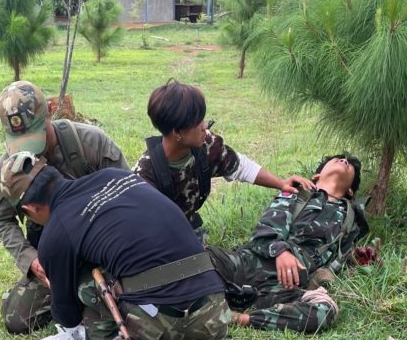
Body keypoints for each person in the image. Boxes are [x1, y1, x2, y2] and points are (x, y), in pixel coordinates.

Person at [0, 153, 259, 340]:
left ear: (29, 210)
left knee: (90, 283)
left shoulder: (56, 232)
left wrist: (59, 278)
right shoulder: (116, 176)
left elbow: (67, 316)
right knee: (168, 302)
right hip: (213, 304)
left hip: (159, 320)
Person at [0, 80, 129, 335]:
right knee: (17, 319)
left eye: (32, 135)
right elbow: (2, 220)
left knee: (123, 305)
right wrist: (32, 261)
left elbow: (129, 196)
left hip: (103, 246)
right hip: (53, 253)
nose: (28, 150)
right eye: (18, 140)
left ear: (51, 111)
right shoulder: (10, 167)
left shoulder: (90, 142)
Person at [210, 154, 369, 334]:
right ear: (316, 176)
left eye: (350, 165)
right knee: (199, 256)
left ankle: (240, 318)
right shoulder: (298, 192)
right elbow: (263, 231)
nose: (343, 161)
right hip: (247, 264)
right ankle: (211, 297)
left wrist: (356, 259)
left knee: (326, 311)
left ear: (350, 191)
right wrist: (281, 252)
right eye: (338, 159)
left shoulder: (351, 219)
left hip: (283, 287)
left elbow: (334, 259)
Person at [134, 79, 314, 232]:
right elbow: (139, 228)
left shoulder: (205, 144)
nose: (205, 126)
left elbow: (241, 167)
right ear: (177, 132)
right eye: (198, 123)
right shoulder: (144, 176)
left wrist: (281, 183)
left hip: (188, 230)